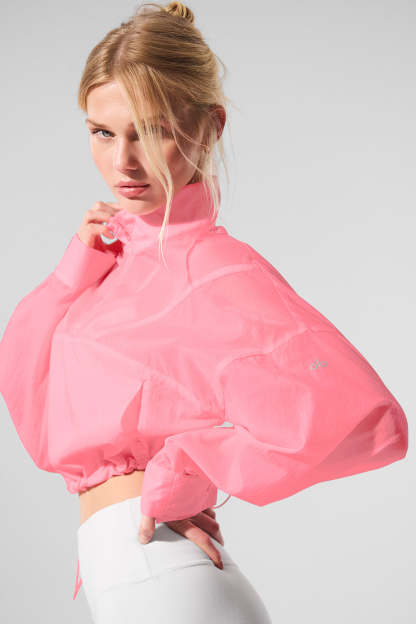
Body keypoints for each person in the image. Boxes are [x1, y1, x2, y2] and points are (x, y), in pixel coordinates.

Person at [0, 2, 408, 623]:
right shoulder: (114, 263)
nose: (123, 161)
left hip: (165, 578)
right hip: (129, 573)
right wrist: (71, 275)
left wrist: (190, 465)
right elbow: (29, 398)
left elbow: (368, 421)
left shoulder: (214, 266)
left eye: (151, 130)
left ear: (210, 127)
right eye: (102, 132)